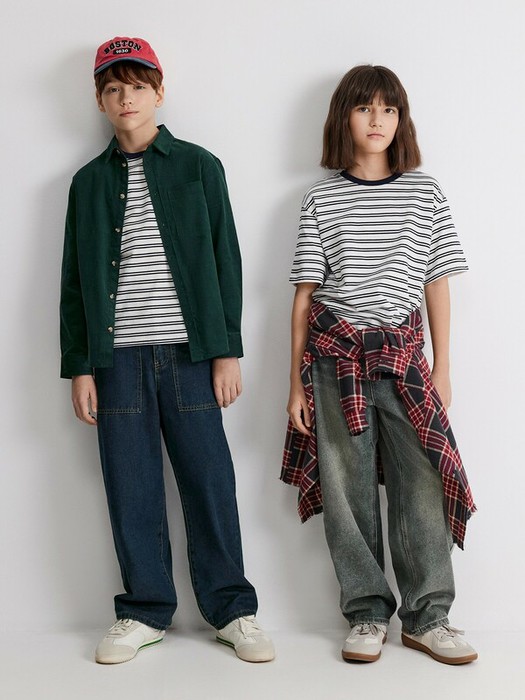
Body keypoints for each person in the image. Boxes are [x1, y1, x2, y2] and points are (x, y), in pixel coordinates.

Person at [60, 36, 274, 665]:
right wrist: (80, 366)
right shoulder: (87, 183)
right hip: (116, 360)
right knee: (131, 486)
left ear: (159, 91)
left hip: (190, 354)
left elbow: (226, 260)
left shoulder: (199, 167)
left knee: (209, 481)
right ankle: (143, 611)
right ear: (100, 100)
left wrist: (227, 350)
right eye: (113, 89)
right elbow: (74, 282)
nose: (126, 99)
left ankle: (232, 610)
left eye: (136, 86)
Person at [281, 65, 477, 665]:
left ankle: (429, 616)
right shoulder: (321, 198)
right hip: (335, 359)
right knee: (348, 488)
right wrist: (294, 384)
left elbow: (437, 281)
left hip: (404, 357)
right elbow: (305, 296)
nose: (377, 120)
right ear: (344, 117)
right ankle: (365, 613)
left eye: (388, 109)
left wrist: (443, 366)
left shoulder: (425, 193)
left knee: (421, 481)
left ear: (401, 120)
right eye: (364, 108)